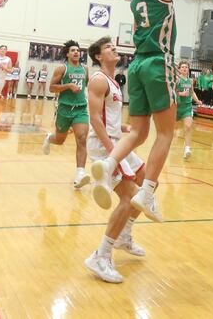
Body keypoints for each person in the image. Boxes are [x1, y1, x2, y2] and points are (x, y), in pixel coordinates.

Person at [90, 0, 213, 223]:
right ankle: (147, 192)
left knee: (137, 132)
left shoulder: (136, 0)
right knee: (166, 134)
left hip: (135, 66)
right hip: (157, 64)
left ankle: (108, 166)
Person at [83, 36, 147, 284]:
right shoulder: (98, 80)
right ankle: (101, 255)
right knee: (130, 195)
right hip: (104, 145)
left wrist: (121, 127)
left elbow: (106, 115)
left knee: (149, 184)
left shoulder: (114, 81)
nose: (114, 49)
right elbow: (95, 119)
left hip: (115, 140)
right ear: (99, 56)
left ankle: (124, 235)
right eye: (108, 47)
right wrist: (113, 152)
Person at [42, 40, 90, 189]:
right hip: (64, 108)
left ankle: (80, 174)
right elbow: (51, 88)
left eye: (78, 50)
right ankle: (50, 138)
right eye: (73, 50)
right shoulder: (62, 69)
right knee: (60, 140)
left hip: (81, 108)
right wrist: (68, 85)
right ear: (68, 54)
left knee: (81, 139)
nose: (76, 52)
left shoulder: (85, 69)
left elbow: (87, 86)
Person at [176, 61, 201, 159]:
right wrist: (181, 94)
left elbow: (192, 92)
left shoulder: (190, 81)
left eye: (186, 67)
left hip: (187, 107)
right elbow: (172, 91)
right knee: (171, 129)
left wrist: (197, 100)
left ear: (188, 69)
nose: (184, 68)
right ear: (179, 69)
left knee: (188, 126)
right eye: (182, 67)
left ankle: (187, 148)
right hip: (176, 107)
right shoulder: (177, 80)